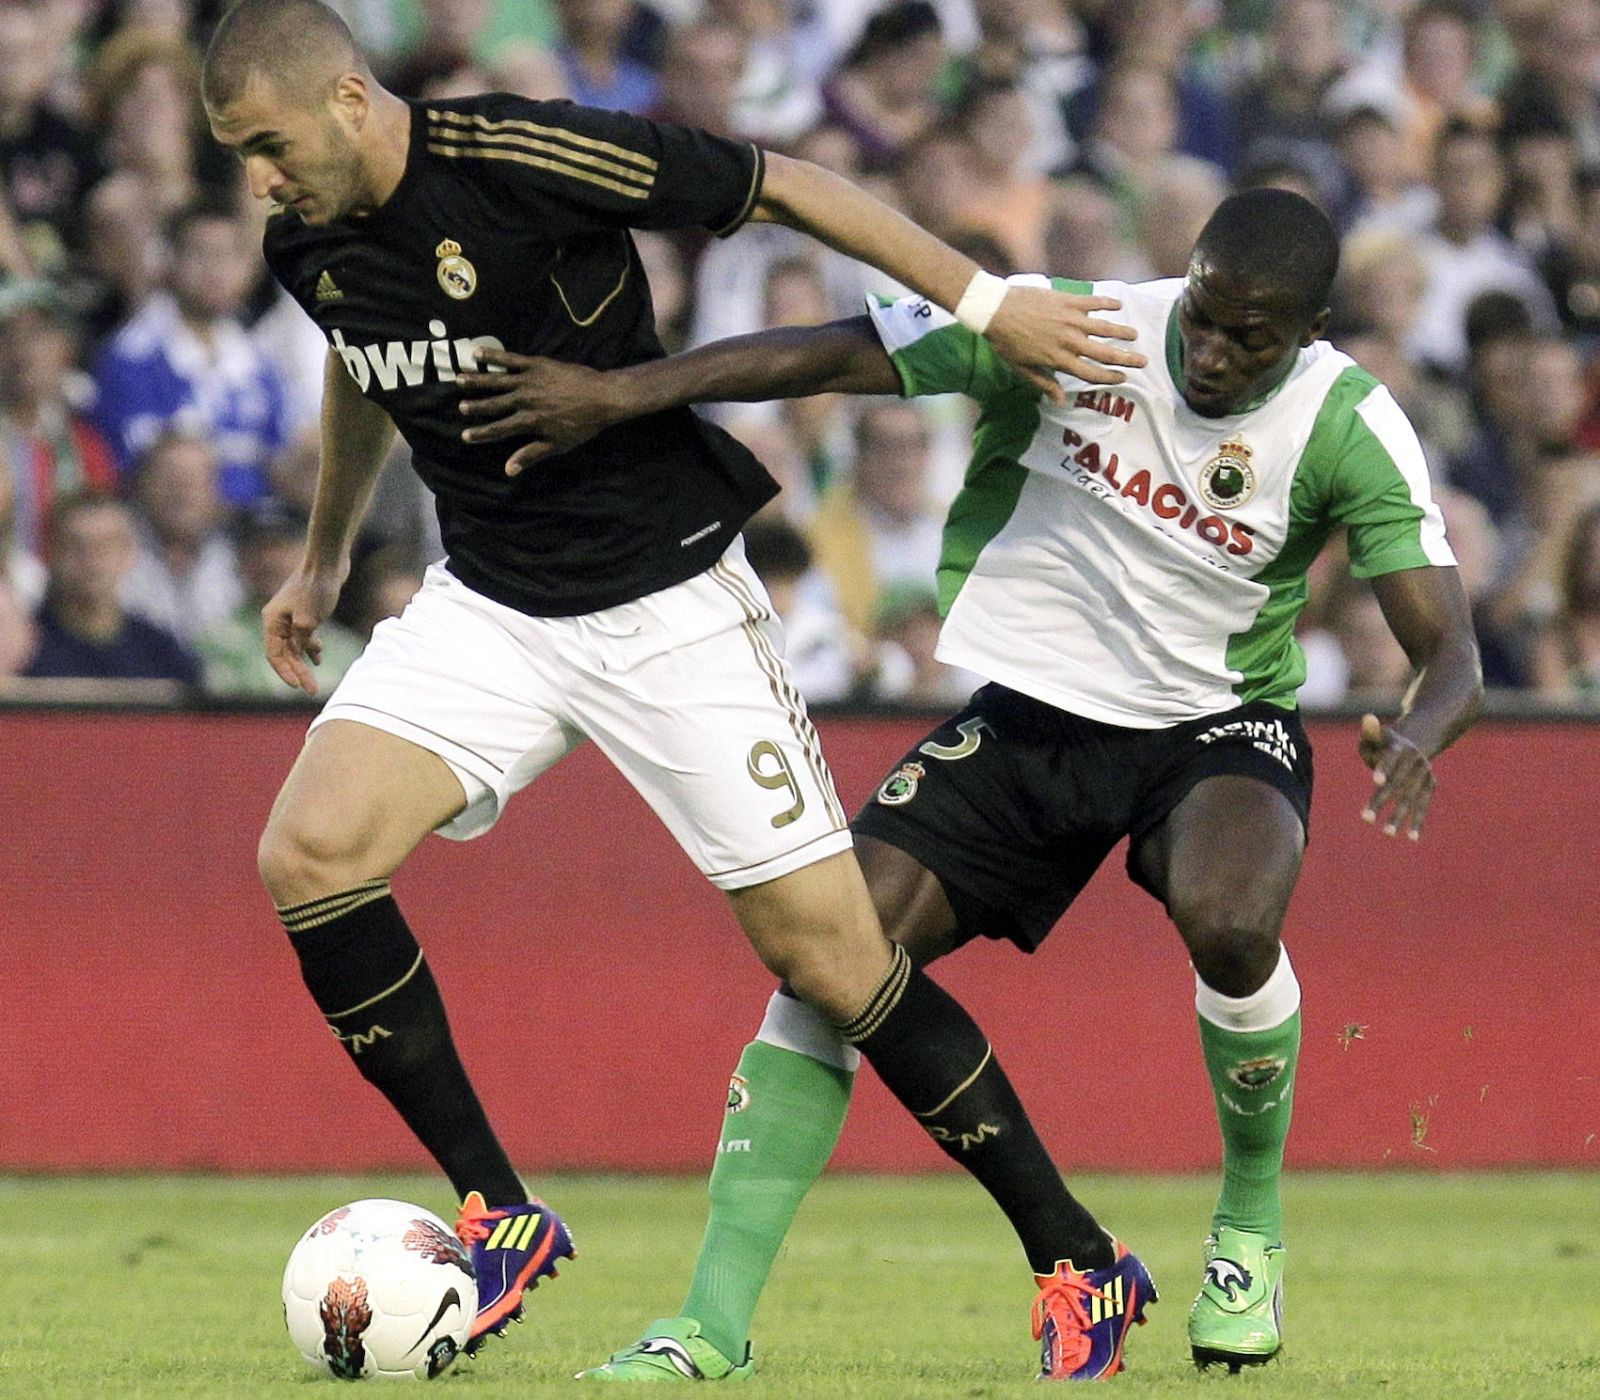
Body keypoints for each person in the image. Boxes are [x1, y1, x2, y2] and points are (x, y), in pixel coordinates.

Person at [200, 0, 1147, 1372]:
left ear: (348, 99)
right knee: (310, 854)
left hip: (668, 604)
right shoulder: (309, 239)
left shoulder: (521, 156)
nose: (257, 181)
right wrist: (325, 552)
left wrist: (993, 306)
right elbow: (364, 362)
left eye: (267, 145)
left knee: (834, 963)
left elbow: (787, 185)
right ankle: (499, 1212)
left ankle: (1078, 1260)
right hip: (492, 603)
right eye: (238, 155)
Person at [458, 187, 1484, 1378]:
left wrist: (1421, 732)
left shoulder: (1348, 423)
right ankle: (710, 1322)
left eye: (1247, 338)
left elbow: (1451, 652)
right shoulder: (1077, 330)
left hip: (1216, 724)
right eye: (1201, 317)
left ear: (1309, 332)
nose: (1208, 351)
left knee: (1231, 920)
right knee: (830, 956)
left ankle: (1247, 1232)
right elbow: (838, 351)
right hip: (1035, 715)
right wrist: (623, 392)